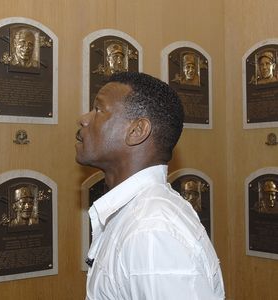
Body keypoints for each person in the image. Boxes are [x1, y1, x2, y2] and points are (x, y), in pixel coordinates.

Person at [75, 72, 224, 299]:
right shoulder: (137, 214)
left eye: (98, 109)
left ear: (137, 131)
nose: (84, 119)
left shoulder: (151, 231)